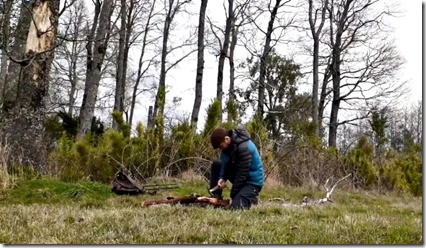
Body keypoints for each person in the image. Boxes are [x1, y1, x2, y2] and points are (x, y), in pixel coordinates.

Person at [209, 127, 264, 210]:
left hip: (252, 182)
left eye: (220, 146)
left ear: (227, 139)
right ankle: (216, 197)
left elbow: (241, 175)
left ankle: (251, 198)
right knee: (217, 165)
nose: (220, 149)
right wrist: (222, 178)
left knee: (235, 207)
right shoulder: (227, 148)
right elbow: (224, 165)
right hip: (241, 175)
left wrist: (233, 196)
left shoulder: (244, 148)